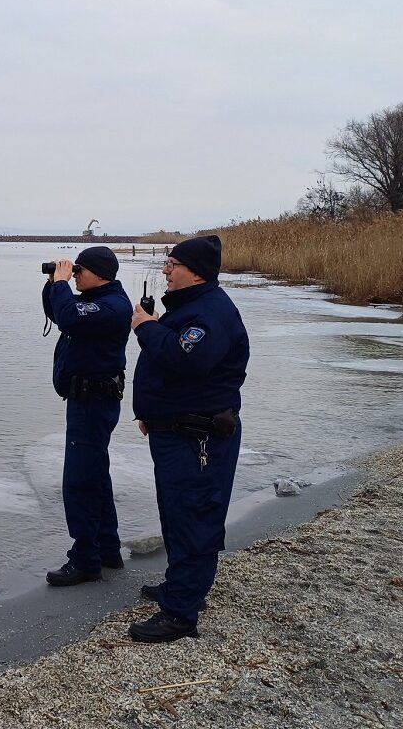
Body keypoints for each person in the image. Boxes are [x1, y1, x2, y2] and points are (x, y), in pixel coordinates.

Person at [128, 235, 250, 642]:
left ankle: (180, 614)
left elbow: (187, 359)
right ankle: (180, 587)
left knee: (194, 517)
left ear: (194, 270)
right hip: (176, 431)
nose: (165, 269)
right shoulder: (191, 309)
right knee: (177, 515)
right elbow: (173, 368)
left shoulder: (211, 313)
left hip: (199, 439)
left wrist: (146, 327)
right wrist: (152, 414)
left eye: (171, 263)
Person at [41, 246, 132, 586]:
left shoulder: (110, 305)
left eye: (79, 270)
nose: (75, 274)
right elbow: (57, 312)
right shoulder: (99, 299)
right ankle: (108, 549)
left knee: (80, 480)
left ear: (99, 273)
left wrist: (63, 284)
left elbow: (68, 317)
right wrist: (54, 282)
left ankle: (85, 560)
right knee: (96, 476)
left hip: (93, 401)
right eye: (72, 271)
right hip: (89, 399)